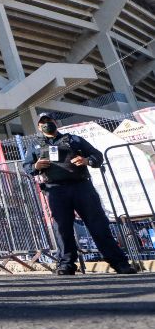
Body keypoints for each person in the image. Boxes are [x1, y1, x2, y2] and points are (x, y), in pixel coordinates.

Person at [23, 112, 137, 275]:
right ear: (39, 127)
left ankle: (120, 263)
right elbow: (27, 167)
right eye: (43, 122)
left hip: (82, 187)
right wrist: (36, 166)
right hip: (55, 189)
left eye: (49, 121)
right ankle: (66, 265)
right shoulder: (34, 145)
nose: (47, 124)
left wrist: (86, 160)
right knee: (63, 228)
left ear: (56, 122)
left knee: (98, 224)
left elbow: (97, 155)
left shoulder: (74, 140)